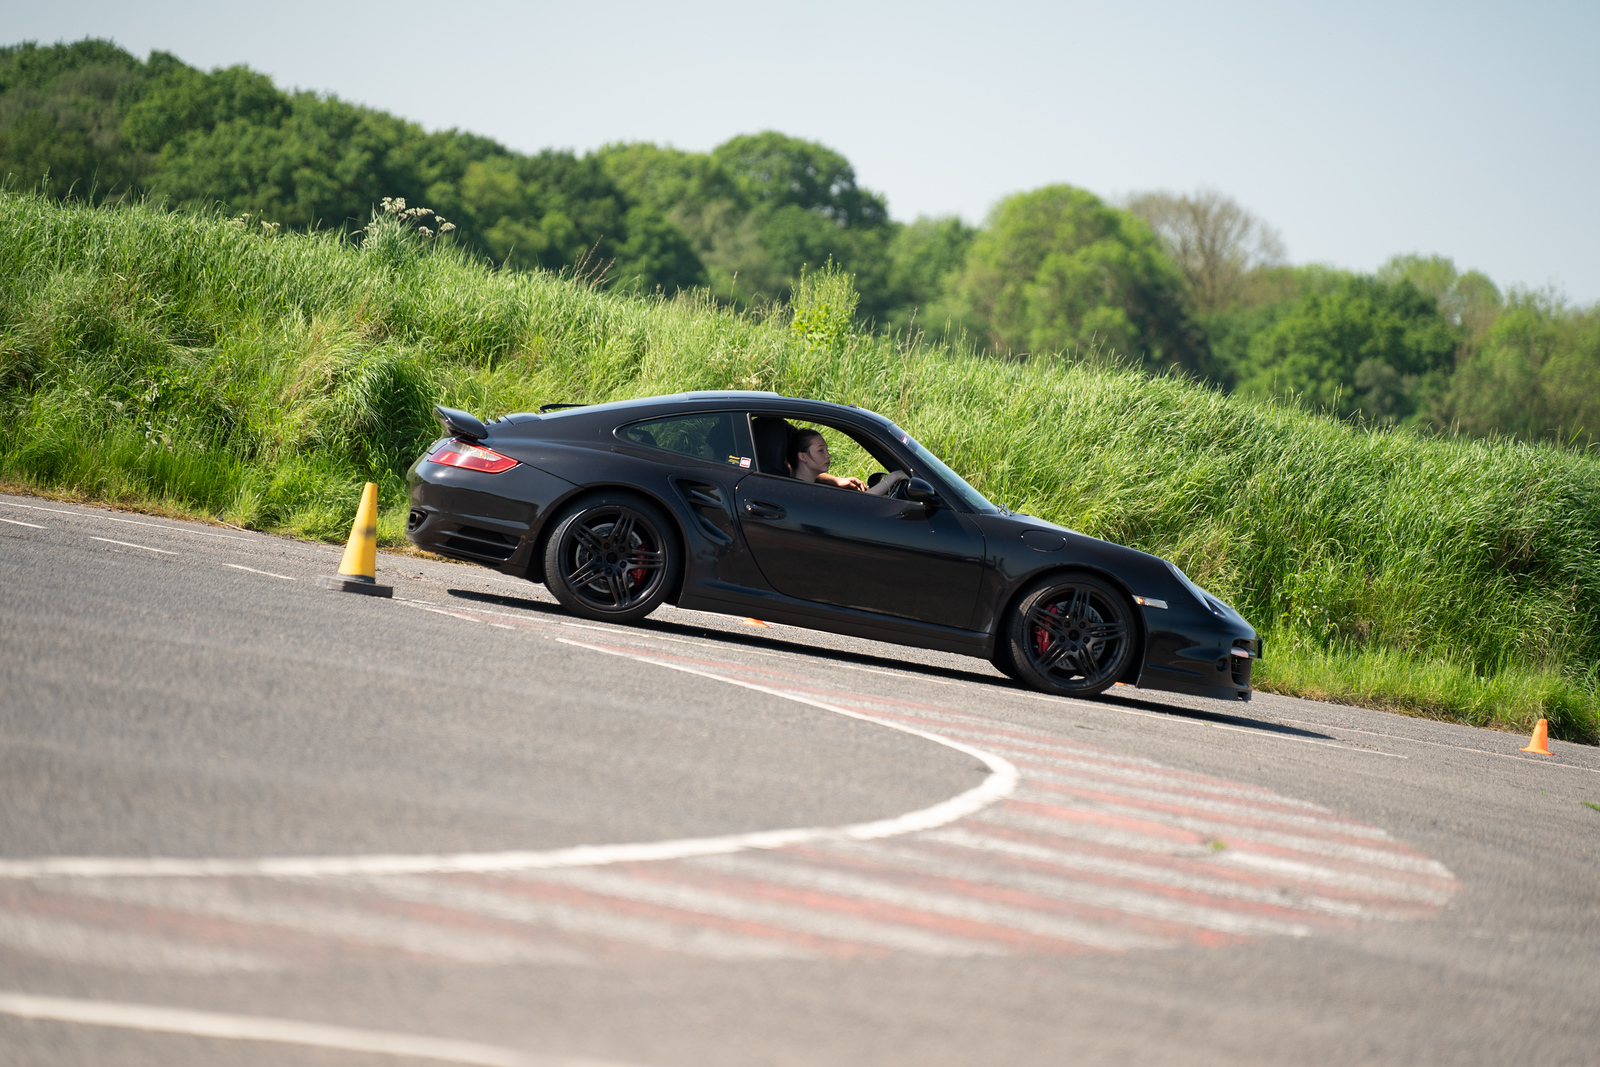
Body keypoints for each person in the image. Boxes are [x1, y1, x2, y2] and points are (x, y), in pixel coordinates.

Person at [788, 427, 909, 496]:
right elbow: (860, 504)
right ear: (803, 457)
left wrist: (836, 481)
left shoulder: (802, 486)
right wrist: (894, 476)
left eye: (827, 450)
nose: (828, 455)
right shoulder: (804, 493)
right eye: (821, 451)